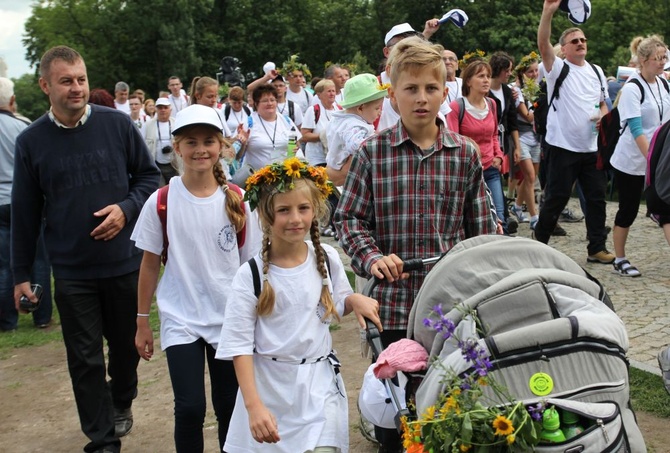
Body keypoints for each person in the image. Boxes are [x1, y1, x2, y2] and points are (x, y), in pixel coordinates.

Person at [334, 36, 497, 453]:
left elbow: (482, 231)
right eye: (411, 89)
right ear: (392, 93)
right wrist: (372, 258)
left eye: (430, 88)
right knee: (397, 413)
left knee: (452, 408)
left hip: (450, 308)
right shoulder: (372, 154)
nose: (421, 98)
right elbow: (349, 220)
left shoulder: (464, 155)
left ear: (445, 91)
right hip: (391, 306)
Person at [11, 45, 160, 453]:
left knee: (126, 352)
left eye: (81, 79)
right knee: (84, 358)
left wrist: (126, 209)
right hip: (73, 272)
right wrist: (21, 274)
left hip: (124, 264)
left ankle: (122, 399)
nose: (76, 88)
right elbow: (25, 213)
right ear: (45, 86)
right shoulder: (31, 142)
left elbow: (149, 179)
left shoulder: (118, 125)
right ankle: (102, 439)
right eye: (66, 81)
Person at [216, 158, 381, 452]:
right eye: (283, 210)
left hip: (319, 389)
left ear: (314, 211)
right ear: (266, 217)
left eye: (303, 208)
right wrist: (254, 407)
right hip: (271, 393)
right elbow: (239, 346)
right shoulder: (250, 276)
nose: (295, 218)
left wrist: (353, 300)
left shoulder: (327, 258)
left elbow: (334, 304)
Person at [132, 104, 262, 452]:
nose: (200, 149)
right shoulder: (161, 201)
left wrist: (259, 318)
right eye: (191, 142)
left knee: (228, 406)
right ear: (177, 147)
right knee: (189, 408)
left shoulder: (237, 200)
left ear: (222, 146)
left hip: (228, 319)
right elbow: (148, 265)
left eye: (208, 141)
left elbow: (253, 266)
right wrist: (143, 321)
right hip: (181, 318)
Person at [534, 0, 614, 264]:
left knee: (596, 200)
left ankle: (596, 248)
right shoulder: (558, 67)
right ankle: (538, 247)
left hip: (591, 147)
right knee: (555, 199)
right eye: (575, 41)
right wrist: (548, 12)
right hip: (563, 146)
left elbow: (602, 102)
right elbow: (543, 44)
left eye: (583, 39)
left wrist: (603, 116)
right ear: (564, 49)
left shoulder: (597, 71)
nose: (581, 43)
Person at [610, 35, 670, 277]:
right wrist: (652, 161)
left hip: (660, 159)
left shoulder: (664, 84)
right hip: (633, 161)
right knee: (629, 209)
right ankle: (620, 258)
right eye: (658, 58)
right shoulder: (632, 89)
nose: (663, 62)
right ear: (644, 60)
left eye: (665, 57)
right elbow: (636, 129)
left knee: (666, 207)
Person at [0, 77, 52, 331]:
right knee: (39, 258)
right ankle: (41, 316)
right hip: (24, 201)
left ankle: (8, 321)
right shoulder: (23, 127)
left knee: (3, 262)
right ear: (12, 100)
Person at [447, 60, 507, 233]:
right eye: (481, 76)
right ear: (468, 81)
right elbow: (453, 138)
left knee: (499, 217)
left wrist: (499, 155)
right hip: (468, 172)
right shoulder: (457, 107)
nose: (486, 80)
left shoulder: (492, 104)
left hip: (491, 168)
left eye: (488, 76)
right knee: (474, 218)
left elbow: (495, 134)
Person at [326, 73, 387, 186]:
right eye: (377, 108)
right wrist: (379, 141)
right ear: (360, 108)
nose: (380, 112)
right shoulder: (353, 126)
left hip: (338, 172)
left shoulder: (340, 120)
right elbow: (357, 146)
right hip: (348, 177)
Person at [237, 84, 302, 172]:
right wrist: (243, 143)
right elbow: (237, 156)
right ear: (256, 103)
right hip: (256, 179)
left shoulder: (287, 121)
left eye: (272, 100)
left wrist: (294, 151)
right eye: (265, 101)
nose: (270, 103)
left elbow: (297, 145)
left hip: (284, 175)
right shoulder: (248, 123)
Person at [511, 51, 542, 229]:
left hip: (535, 137)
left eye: (536, 71)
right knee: (529, 176)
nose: (534, 74)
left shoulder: (538, 88)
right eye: (530, 71)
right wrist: (539, 104)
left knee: (531, 177)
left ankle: (516, 206)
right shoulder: (516, 90)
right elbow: (528, 116)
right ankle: (534, 216)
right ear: (522, 74)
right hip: (521, 136)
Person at [143, 97, 178, 185]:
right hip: (156, 164)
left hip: (174, 164)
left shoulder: (176, 123)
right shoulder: (148, 125)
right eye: (160, 108)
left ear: (170, 109)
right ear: (156, 109)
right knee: (160, 189)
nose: (163, 110)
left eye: (165, 108)